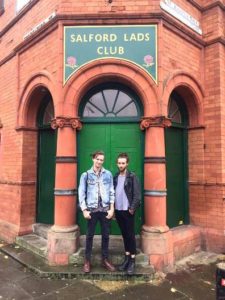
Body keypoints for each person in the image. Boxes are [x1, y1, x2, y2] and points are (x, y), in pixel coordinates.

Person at [78, 150, 115, 273]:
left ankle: (105, 260)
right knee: (89, 236)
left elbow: (111, 191)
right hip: (92, 211)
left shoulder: (108, 174)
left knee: (106, 236)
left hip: (105, 210)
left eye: (101, 160)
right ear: (93, 159)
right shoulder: (86, 175)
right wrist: (84, 210)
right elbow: (81, 193)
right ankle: (87, 261)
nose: (99, 161)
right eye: (97, 159)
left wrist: (112, 209)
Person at [113, 152, 141, 275]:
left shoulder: (132, 177)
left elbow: (137, 195)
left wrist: (132, 208)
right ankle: (127, 258)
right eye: (119, 163)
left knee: (130, 235)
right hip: (118, 210)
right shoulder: (115, 177)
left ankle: (132, 261)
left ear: (127, 163)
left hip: (128, 211)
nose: (121, 165)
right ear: (117, 163)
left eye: (123, 163)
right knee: (124, 235)